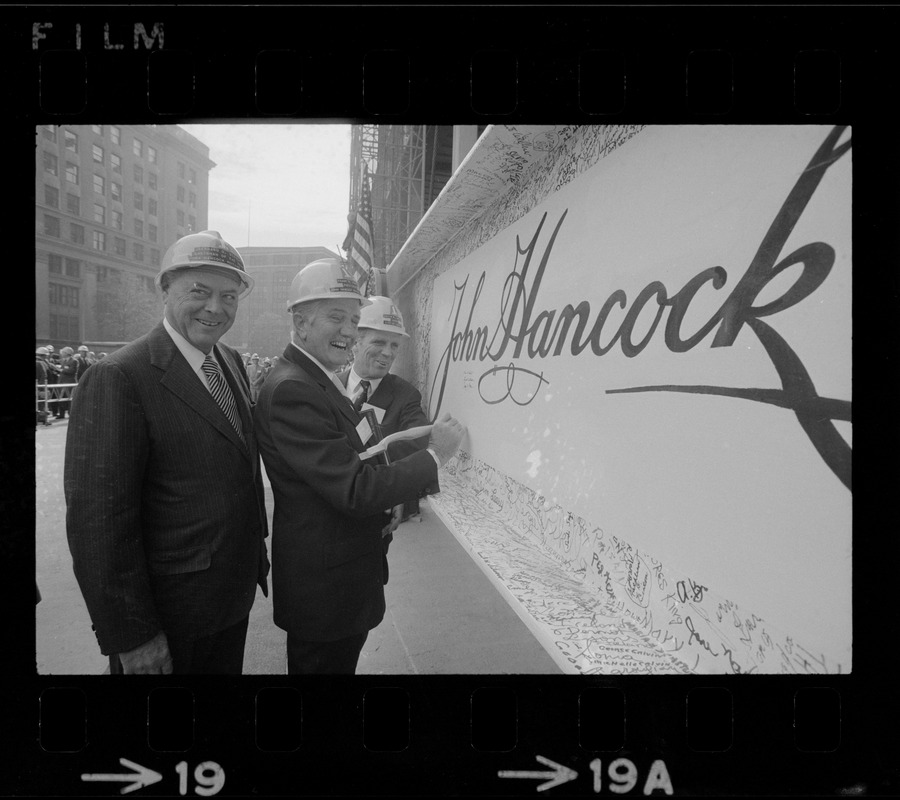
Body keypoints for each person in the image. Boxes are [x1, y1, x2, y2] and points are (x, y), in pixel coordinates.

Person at [64, 230, 270, 675]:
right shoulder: (119, 377)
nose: (215, 308)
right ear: (164, 290)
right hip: (168, 615)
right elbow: (98, 521)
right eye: (199, 291)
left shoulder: (230, 361)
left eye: (229, 296)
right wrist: (131, 635)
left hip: (230, 599)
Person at [254, 258, 464, 674]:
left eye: (353, 319)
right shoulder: (295, 387)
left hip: (339, 578)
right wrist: (435, 454)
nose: (349, 331)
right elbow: (354, 489)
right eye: (337, 317)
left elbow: (353, 461)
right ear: (300, 322)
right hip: (327, 588)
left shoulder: (314, 379)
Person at [338, 296, 434, 542]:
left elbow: (418, 439)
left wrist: (397, 493)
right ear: (356, 341)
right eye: (379, 342)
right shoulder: (329, 385)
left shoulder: (405, 395)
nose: (388, 353)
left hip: (376, 519)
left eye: (395, 345)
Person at [57, 346, 78, 418]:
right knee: (60, 398)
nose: (62, 353)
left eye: (63, 352)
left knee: (69, 398)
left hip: (69, 382)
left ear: (67, 353)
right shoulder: (63, 361)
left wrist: (61, 370)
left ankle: (70, 413)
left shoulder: (74, 361)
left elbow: (72, 371)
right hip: (62, 382)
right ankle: (61, 414)